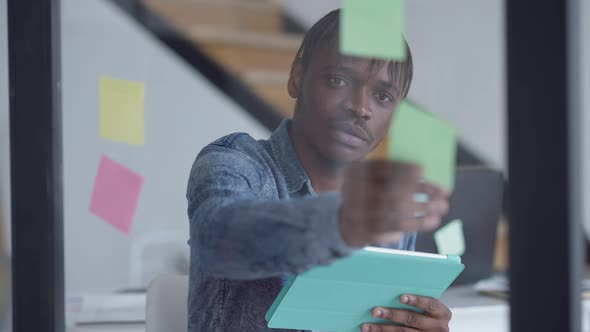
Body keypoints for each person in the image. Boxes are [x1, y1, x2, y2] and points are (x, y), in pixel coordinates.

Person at [186, 9, 452, 332]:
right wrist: (340, 222)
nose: (361, 107)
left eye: (383, 96)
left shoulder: (385, 204)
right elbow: (218, 239)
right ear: (298, 77)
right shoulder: (235, 162)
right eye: (338, 80)